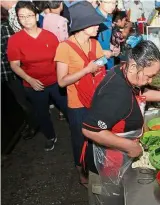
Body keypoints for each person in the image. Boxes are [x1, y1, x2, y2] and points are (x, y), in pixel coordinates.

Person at [82, 40, 160, 204]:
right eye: (149, 76)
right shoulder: (116, 94)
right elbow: (90, 130)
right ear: (133, 67)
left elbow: (139, 93)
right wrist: (129, 146)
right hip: (107, 161)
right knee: (108, 199)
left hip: (119, 155)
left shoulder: (125, 73)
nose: (151, 80)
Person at [55, 1, 106, 188]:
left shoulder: (95, 43)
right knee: (79, 138)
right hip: (77, 103)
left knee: (98, 136)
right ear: (82, 26)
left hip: (95, 99)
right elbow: (62, 81)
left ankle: (96, 167)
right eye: (94, 23)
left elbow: (100, 71)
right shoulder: (64, 47)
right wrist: (86, 70)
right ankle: (81, 172)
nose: (98, 27)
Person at [8, 1, 68, 151]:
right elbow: (14, 64)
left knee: (68, 108)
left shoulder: (49, 36)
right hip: (33, 85)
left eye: (29, 15)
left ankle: (79, 132)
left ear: (36, 17)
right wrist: (29, 79)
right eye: (22, 17)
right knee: (42, 114)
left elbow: (59, 58)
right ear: (18, 19)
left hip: (55, 82)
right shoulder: (15, 40)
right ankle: (50, 136)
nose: (26, 19)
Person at [1, 5, 38, 140]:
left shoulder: (3, 28)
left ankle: (35, 124)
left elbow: (10, 52)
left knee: (23, 101)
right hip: (7, 73)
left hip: (11, 72)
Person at [96, 0, 119, 70]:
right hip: (97, 59)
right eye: (108, 2)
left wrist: (113, 47)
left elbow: (106, 38)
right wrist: (101, 52)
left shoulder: (109, 17)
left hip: (109, 59)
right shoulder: (94, 17)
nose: (112, 6)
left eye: (114, 3)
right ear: (99, 1)